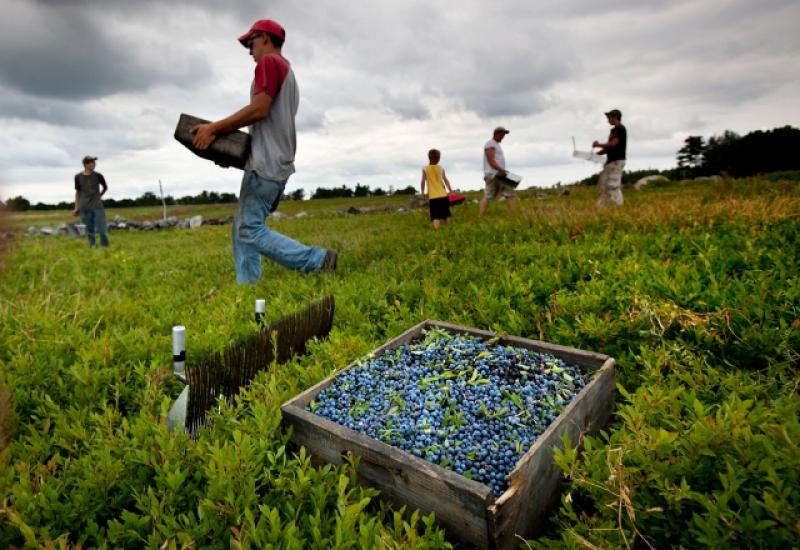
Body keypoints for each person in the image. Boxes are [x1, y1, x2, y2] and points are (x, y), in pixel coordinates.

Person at [191, 19, 337, 284]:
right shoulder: (286, 70)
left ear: (265, 38)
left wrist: (214, 128)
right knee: (242, 228)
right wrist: (228, 152)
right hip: (273, 161)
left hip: (267, 165)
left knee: (248, 229)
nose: (249, 49)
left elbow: (259, 110)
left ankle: (316, 260)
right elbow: (267, 125)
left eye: (250, 42)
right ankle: (247, 284)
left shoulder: (269, 63)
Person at [592, 109, 627, 206]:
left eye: (609, 118)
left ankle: (617, 205)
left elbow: (613, 144)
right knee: (604, 183)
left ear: (615, 117)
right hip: (611, 161)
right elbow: (609, 147)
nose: (608, 120)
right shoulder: (614, 130)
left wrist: (598, 144)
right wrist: (598, 154)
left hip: (617, 161)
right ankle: (605, 205)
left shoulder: (620, 128)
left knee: (612, 185)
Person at [73, 155, 110, 247]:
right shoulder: (77, 177)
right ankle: (92, 248)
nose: (94, 164)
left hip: (98, 206)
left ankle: (106, 248)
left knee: (102, 229)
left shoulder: (98, 176)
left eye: (94, 162)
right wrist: (76, 207)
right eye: (92, 162)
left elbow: (105, 188)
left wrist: (99, 196)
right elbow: (78, 193)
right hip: (84, 207)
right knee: (90, 230)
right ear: (86, 164)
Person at [479, 126, 516, 216]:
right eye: (502, 135)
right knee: (488, 195)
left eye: (504, 135)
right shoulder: (490, 144)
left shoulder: (496, 144)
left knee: (509, 192)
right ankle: (480, 216)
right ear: (496, 134)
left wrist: (502, 171)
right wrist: (500, 170)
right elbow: (491, 160)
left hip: (499, 173)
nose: (503, 137)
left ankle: (514, 214)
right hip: (493, 174)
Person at [420, 149, 453, 229]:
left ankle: (437, 232)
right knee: (446, 214)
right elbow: (445, 180)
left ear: (429, 157)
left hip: (433, 197)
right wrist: (450, 190)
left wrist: (422, 192)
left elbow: (422, 181)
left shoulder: (425, 168)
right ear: (439, 158)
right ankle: (449, 229)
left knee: (435, 216)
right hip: (443, 195)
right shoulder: (441, 168)